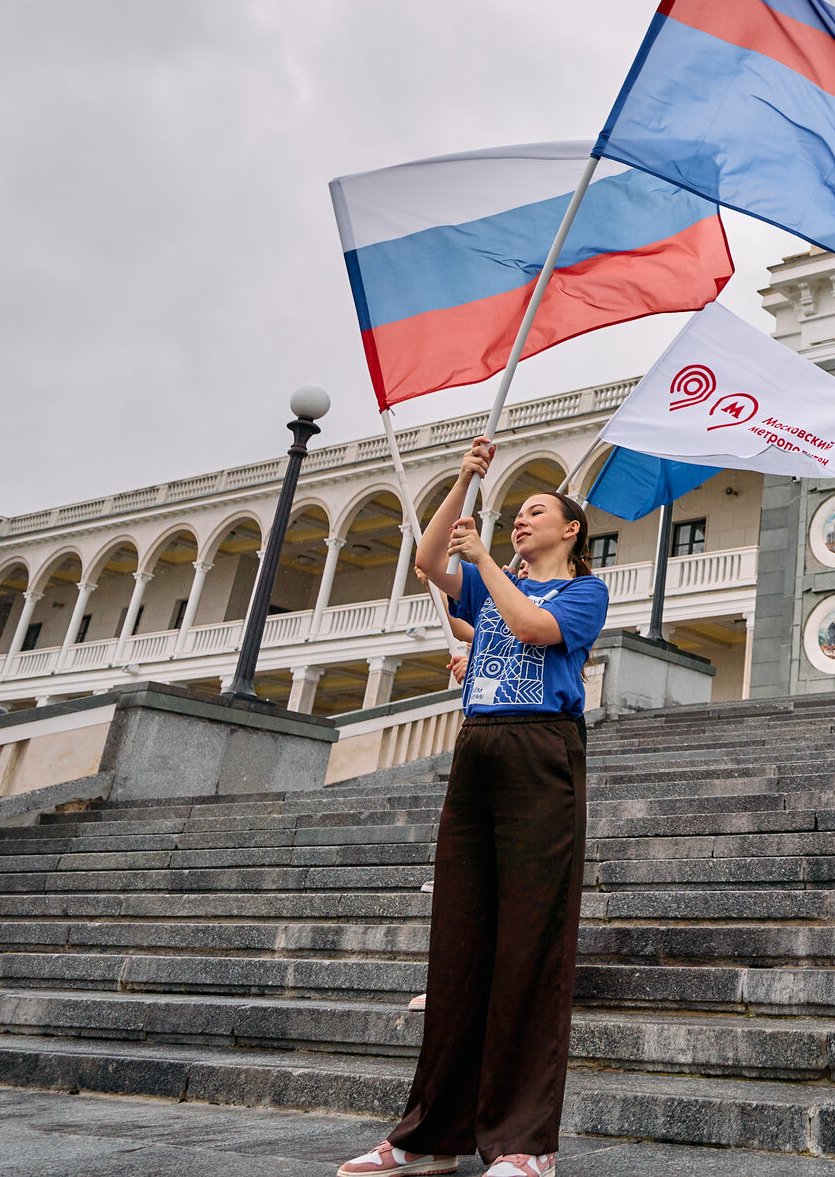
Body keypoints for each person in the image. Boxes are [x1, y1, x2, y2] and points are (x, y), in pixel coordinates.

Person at [337, 438, 608, 1177]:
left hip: (540, 752)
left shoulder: (585, 592)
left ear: (570, 530)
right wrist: (463, 480)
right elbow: (428, 564)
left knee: (530, 943)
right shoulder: (487, 583)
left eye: (535, 512)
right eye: (515, 512)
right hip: (477, 747)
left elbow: (531, 628)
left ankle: (526, 1144)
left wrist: (487, 559)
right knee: (457, 942)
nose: (521, 520)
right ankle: (432, 1133)